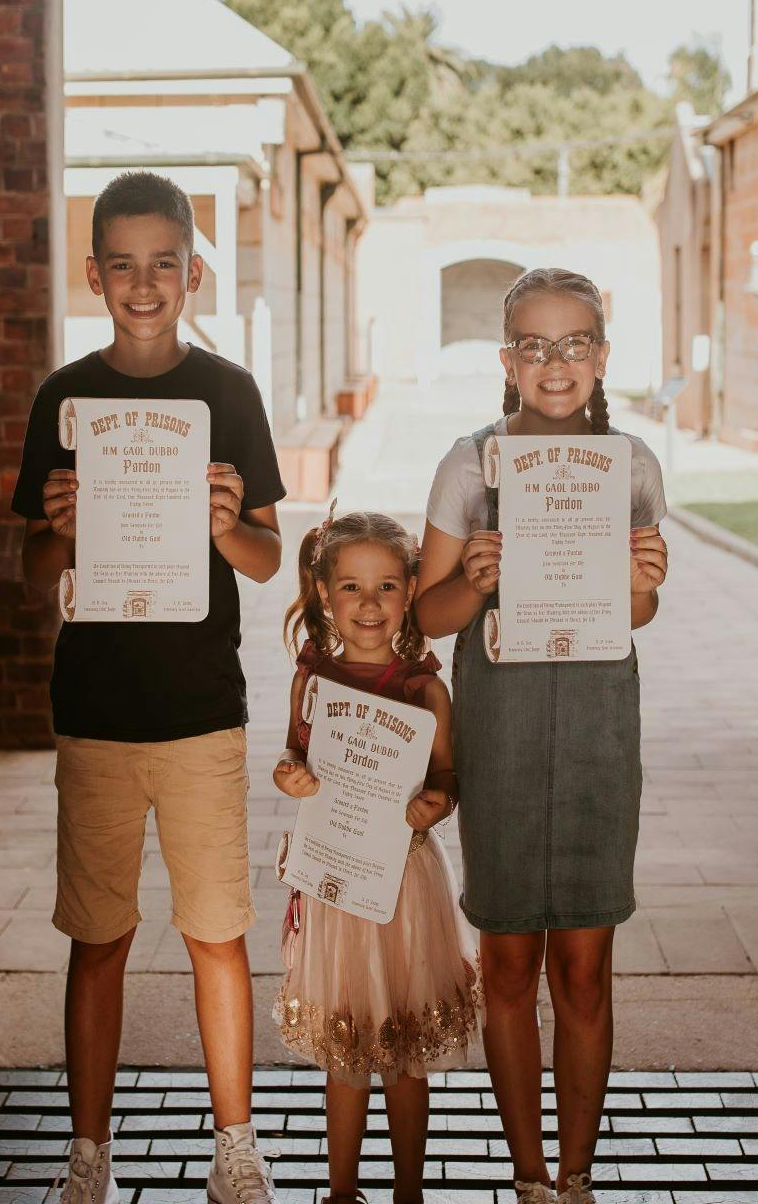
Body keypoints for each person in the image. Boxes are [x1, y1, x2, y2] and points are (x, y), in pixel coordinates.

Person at [14, 171, 287, 1204]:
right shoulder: (63, 399)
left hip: (200, 710)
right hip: (94, 711)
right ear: (93, 275)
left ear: (192, 272)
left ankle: (235, 1142)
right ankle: (89, 1151)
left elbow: (267, 557)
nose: (142, 284)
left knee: (216, 932)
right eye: (121, 265)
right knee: (98, 937)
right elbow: (31, 573)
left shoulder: (229, 394)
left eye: (162, 263)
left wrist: (225, 526)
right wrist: (59, 529)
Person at [412, 267, 670, 1204]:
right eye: (534, 345)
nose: (554, 363)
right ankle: (528, 1177)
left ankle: (577, 1175)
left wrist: (645, 580)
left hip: (599, 722)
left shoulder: (631, 465)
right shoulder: (468, 465)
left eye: (574, 344)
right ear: (507, 359)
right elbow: (427, 618)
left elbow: (634, 614)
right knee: (511, 960)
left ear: (601, 356)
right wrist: (473, 580)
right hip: (503, 724)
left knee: (587, 970)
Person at [272, 510, 479, 1204]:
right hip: (336, 877)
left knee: (405, 1050)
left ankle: (409, 1190)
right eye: (352, 587)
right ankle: (340, 1190)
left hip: (404, 884)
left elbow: (446, 776)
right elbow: (294, 752)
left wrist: (435, 803)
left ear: (411, 590)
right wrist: (289, 774)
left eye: (386, 586)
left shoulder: (425, 688)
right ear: (325, 593)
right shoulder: (313, 680)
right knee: (347, 1046)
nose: (369, 603)